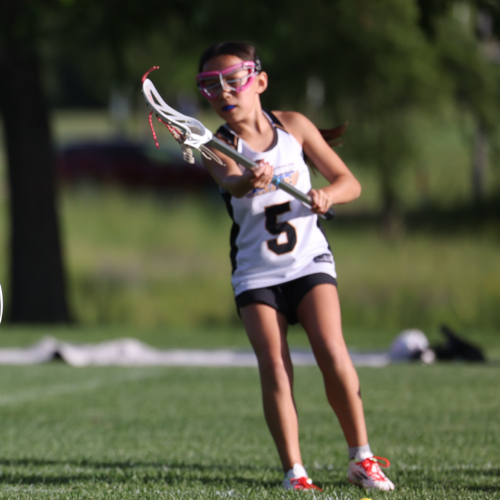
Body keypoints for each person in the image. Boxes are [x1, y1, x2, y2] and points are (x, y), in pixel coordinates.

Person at [196, 41, 394, 492]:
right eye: (210, 85)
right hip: (256, 273)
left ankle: (361, 458)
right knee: (275, 365)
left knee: (332, 351)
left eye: (233, 80)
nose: (223, 92)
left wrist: (328, 195)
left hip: (308, 262)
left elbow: (350, 183)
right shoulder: (215, 147)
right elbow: (232, 181)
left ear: (260, 81)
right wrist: (250, 179)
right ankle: (295, 472)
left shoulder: (294, 126)